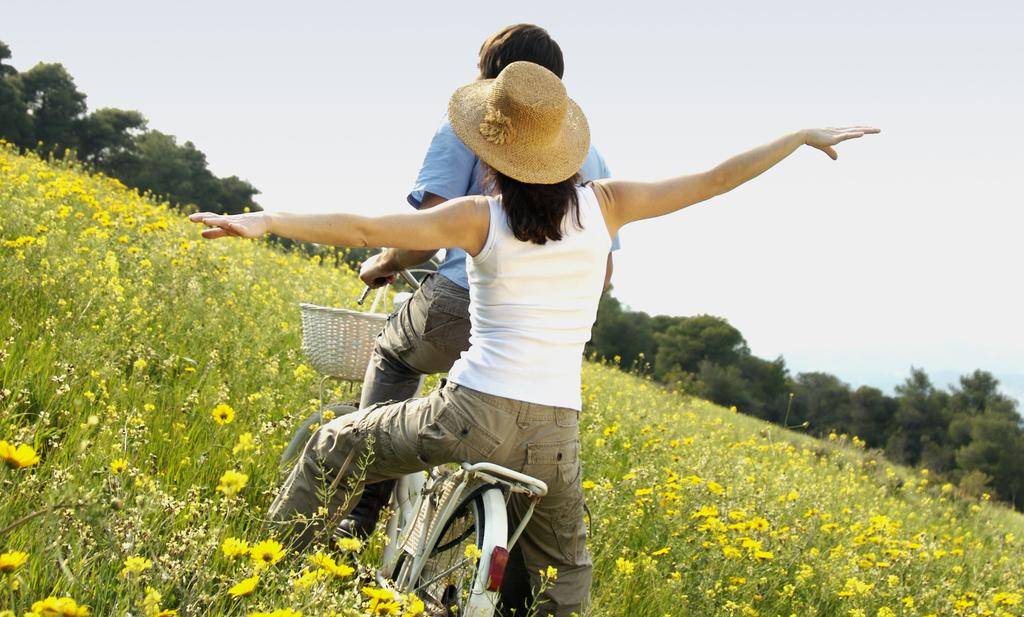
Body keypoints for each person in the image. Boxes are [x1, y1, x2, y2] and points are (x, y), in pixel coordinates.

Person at [190, 61, 878, 616]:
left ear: (491, 151)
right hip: (556, 435)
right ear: (562, 151)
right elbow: (715, 179)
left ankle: (264, 588)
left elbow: (370, 231)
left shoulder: (480, 218)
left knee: (332, 446)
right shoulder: (608, 205)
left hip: (470, 414)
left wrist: (267, 219)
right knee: (565, 580)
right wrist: (795, 138)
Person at [347, 23, 617, 542]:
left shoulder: (466, 128)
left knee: (393, 353)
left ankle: (361, 506)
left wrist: (384, 262)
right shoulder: (591, 156)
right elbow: (604, 272)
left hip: (459, 305)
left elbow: (424, 234)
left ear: (494, 77)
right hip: (542, 355)